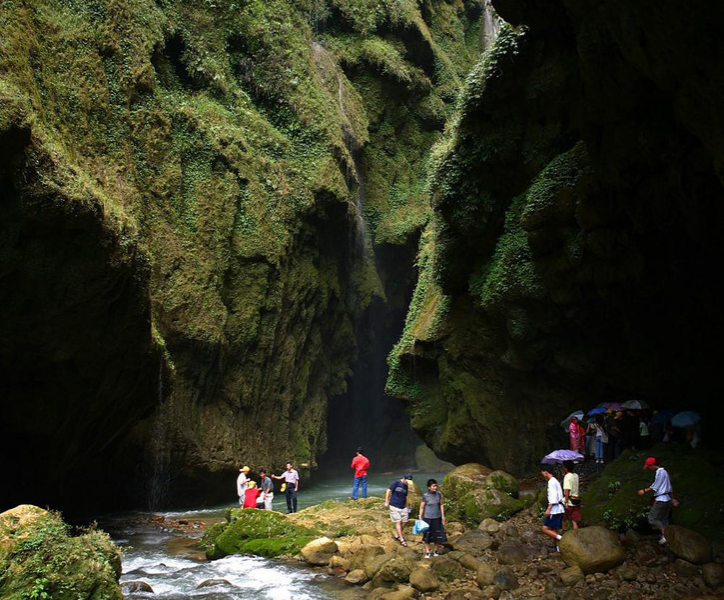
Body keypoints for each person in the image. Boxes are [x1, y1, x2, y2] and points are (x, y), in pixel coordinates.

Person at [638, 457, 676, 545]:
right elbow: (669, 487)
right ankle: (666, 537)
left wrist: (643, 491)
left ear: (652, 465)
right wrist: (673, 499)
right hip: (667, 500)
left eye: (648, 467)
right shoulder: (665, 472)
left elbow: (655, 486)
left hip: (661, 500)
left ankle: (665, 534)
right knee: (663, 519)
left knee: (652, 518)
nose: (649, 469)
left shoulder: (660, 472)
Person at [419, 479, 447, 558]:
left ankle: (436, 550)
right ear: (429, 487)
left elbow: (441, 505)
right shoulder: (425, 496)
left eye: (436, 486)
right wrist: (420, 517)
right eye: (433, 486)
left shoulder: (438, 494)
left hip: (437, 517)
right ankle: (427, 552)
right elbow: (422, 507)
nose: (435, 487)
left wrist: (443, 516)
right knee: (427, 535)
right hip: (427, 518)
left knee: (437, 534)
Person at [540, 465, 565, 551]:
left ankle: (562, 538)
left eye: (543, 472)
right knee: (553, 529)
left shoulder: (551, 482)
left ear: (546, 472)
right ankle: (558, 548)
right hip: (559, 509)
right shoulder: (555, 481)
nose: (542, 474)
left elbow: (553, 498)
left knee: (545, 529)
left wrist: (548, 509)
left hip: (554, 510)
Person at [384, 473, 413, 547]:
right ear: (404, 478)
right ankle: (401, 539)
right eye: (407, 481)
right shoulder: (396, 482)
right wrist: (386, 501)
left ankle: (397, 535)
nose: (408, 483)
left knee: (404, 521)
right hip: (394, 505)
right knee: (398, 522)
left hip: (403, 506)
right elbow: (388, 490)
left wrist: (406, 506)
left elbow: (405, 496)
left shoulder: (406, 486)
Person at [561, 461, 581, 531]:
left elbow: (567, 490)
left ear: (566, 468)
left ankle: (563, 533)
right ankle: (575, 534)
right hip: (576, 501)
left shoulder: (567, 477)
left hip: (569, 501)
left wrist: (566, 502)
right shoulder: (576, 475)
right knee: (574, 520)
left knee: (562, 518)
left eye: (563, 467)